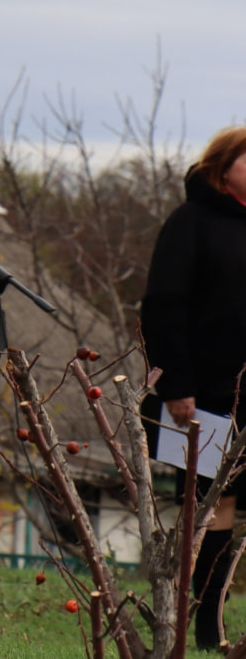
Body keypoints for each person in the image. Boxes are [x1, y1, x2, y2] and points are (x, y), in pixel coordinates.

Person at [141, 126, 246, 651]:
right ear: (222, 168)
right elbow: (164, 306)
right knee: (212, 505)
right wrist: (176, 386)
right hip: (206, 393)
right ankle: (206, 629)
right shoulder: (191, 222)